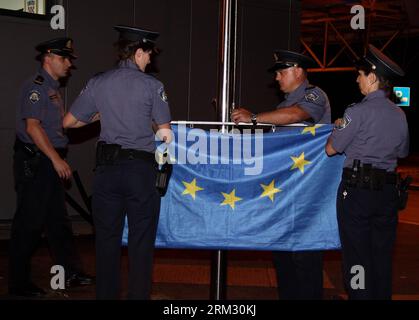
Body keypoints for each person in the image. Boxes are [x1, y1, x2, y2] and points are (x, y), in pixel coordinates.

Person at [63, 25, 172, 300]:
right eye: (149, 54)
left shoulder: (98, 81)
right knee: (140, 242)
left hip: (106, 172)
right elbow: (165, 133)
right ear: (138, 53)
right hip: (139, 173)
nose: (150, 60)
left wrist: (103, 115)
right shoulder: (152, 86)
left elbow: (69, 122)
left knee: (106, 241)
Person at [231, 49, 331, 300]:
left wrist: (253, 118)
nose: (277, 77)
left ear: (298, 71)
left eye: (281, 72)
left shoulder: (313, 96)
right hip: (285, 193)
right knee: (284, 260)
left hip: (307, 192)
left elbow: (296, 116)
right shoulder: (282, 106)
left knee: (305, 260)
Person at [9, 38, 94, 297]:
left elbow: (61, 126)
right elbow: (32, 127)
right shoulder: (36, 88)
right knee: (29, 223)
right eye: (64, 58)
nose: (69, 63)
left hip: (48, 160)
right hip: (37, 161)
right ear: (49, 57)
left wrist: (97, 115)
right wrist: (56, 159)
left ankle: (70, 272)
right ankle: (18, 284)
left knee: (58, 221)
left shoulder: (51, 89)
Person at [325, 45, 409, 300]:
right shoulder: (399, 114)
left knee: (357, 258)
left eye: (360, 74)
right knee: (382, 257)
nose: (357, 79)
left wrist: (339, 127)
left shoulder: (356, 112)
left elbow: (331, 149)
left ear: (372, 78)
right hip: (387, 194)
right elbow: (403, 152)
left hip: (358, 193)